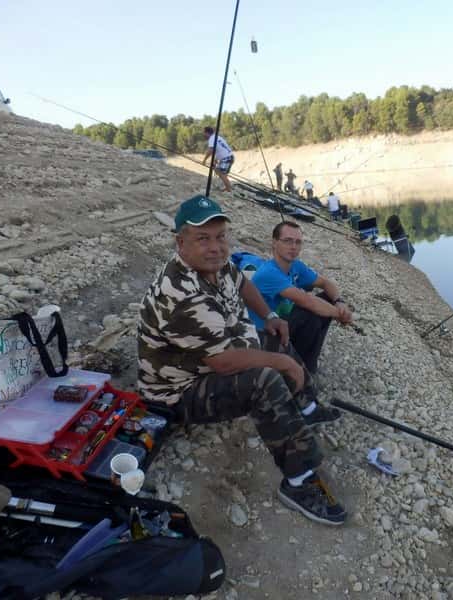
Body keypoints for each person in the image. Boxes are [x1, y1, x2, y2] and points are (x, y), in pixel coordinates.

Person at [138, 195, 346, 525]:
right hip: (178, 393)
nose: (215, 247)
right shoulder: (178, 291)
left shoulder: (216, 264)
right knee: (265, 379)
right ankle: (299, 480)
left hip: (208, 359)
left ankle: (306, 407)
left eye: (220, 237)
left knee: (275, 336)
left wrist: (271, 315)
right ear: (181, 243)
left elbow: (242, 283)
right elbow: (222, 362)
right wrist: (283, 363)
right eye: (202, 238)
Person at [251, 221, 354, 374]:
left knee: (327, 298)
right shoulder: (268, 272)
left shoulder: (295, 266)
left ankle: (308, 360)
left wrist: (339, 302)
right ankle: (303, 369)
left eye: (298, 242)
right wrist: (341, 315)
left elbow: (326, 283)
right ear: (274, 243)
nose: (293, 247)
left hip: (284, 324)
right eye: (287, 241)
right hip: (265, 334)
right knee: (310, 315)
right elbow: (307, 302)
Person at [201, 127, 235, 192]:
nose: (203, 134)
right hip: (228, 157)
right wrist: (215, 159)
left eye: (204, 133)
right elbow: (219, 149)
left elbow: (211, 150)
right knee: (218, 171)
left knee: (221, 173)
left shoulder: (211, 139)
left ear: (207, 133)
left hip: (226, 158)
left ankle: (229, 189)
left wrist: (204, 160)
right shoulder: (217, 137)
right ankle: (228, 187)